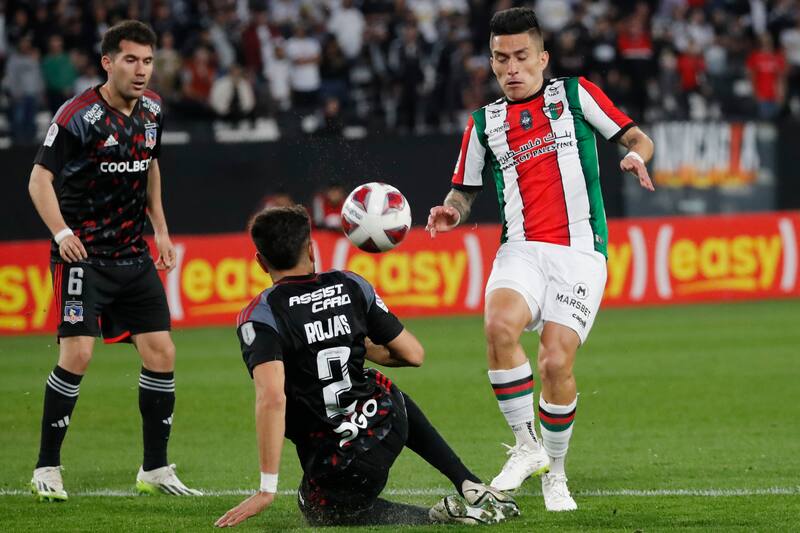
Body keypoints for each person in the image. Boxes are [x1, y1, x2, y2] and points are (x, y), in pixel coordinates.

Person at [426, 7, 655, 512]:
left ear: (542, 58)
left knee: (555, 362)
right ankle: (526, 446)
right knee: (498, 327)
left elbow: (636, 137)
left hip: (579, 253)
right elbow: (464, 190)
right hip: (522, 249)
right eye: (500, 59)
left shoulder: (575, 95)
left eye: (521, 57)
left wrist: (637, 154)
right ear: (490, 62)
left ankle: (557, 472)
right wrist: (452, 211)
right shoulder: (484, 122)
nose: (511, 68)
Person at [215, 206, 519, 528]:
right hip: (388, 424)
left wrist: (266, 489)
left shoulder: (261, 315)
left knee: (317, 508)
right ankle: (467, 483)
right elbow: (413, 354)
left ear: (260, 262)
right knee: (380, 385)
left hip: (343, 465)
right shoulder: (350, 284)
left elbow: (272, 397)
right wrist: (352, 341)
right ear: (310, 248)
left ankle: (432, 518)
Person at [27, 20, 200, 501]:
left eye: (147, 60)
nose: (142, 70)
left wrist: (160, 230)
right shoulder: (77, 115)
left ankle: (155, 469)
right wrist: (61, 233)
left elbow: (150, 166)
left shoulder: (152, 111)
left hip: (131, 253)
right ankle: (47, 467)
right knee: (78, 355)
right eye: (131, 60)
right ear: (108, 62)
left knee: (162, 352)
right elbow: (39, 181)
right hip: (82, 254)